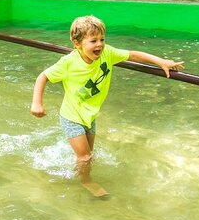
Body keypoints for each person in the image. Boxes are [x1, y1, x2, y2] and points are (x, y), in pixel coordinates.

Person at [30, 15, 184, 197]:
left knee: (89, 155)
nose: (99, 45)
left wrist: (161, 62)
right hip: (71, 117)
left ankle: (79, 173)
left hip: (90, 115)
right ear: (77, 43)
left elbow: (133, 54)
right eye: (93, 40)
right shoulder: (69, 63)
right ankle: (85, 182)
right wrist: (37, 103)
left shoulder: (107, 54)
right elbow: (43, 76)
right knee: (85, 157)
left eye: (102, 39)